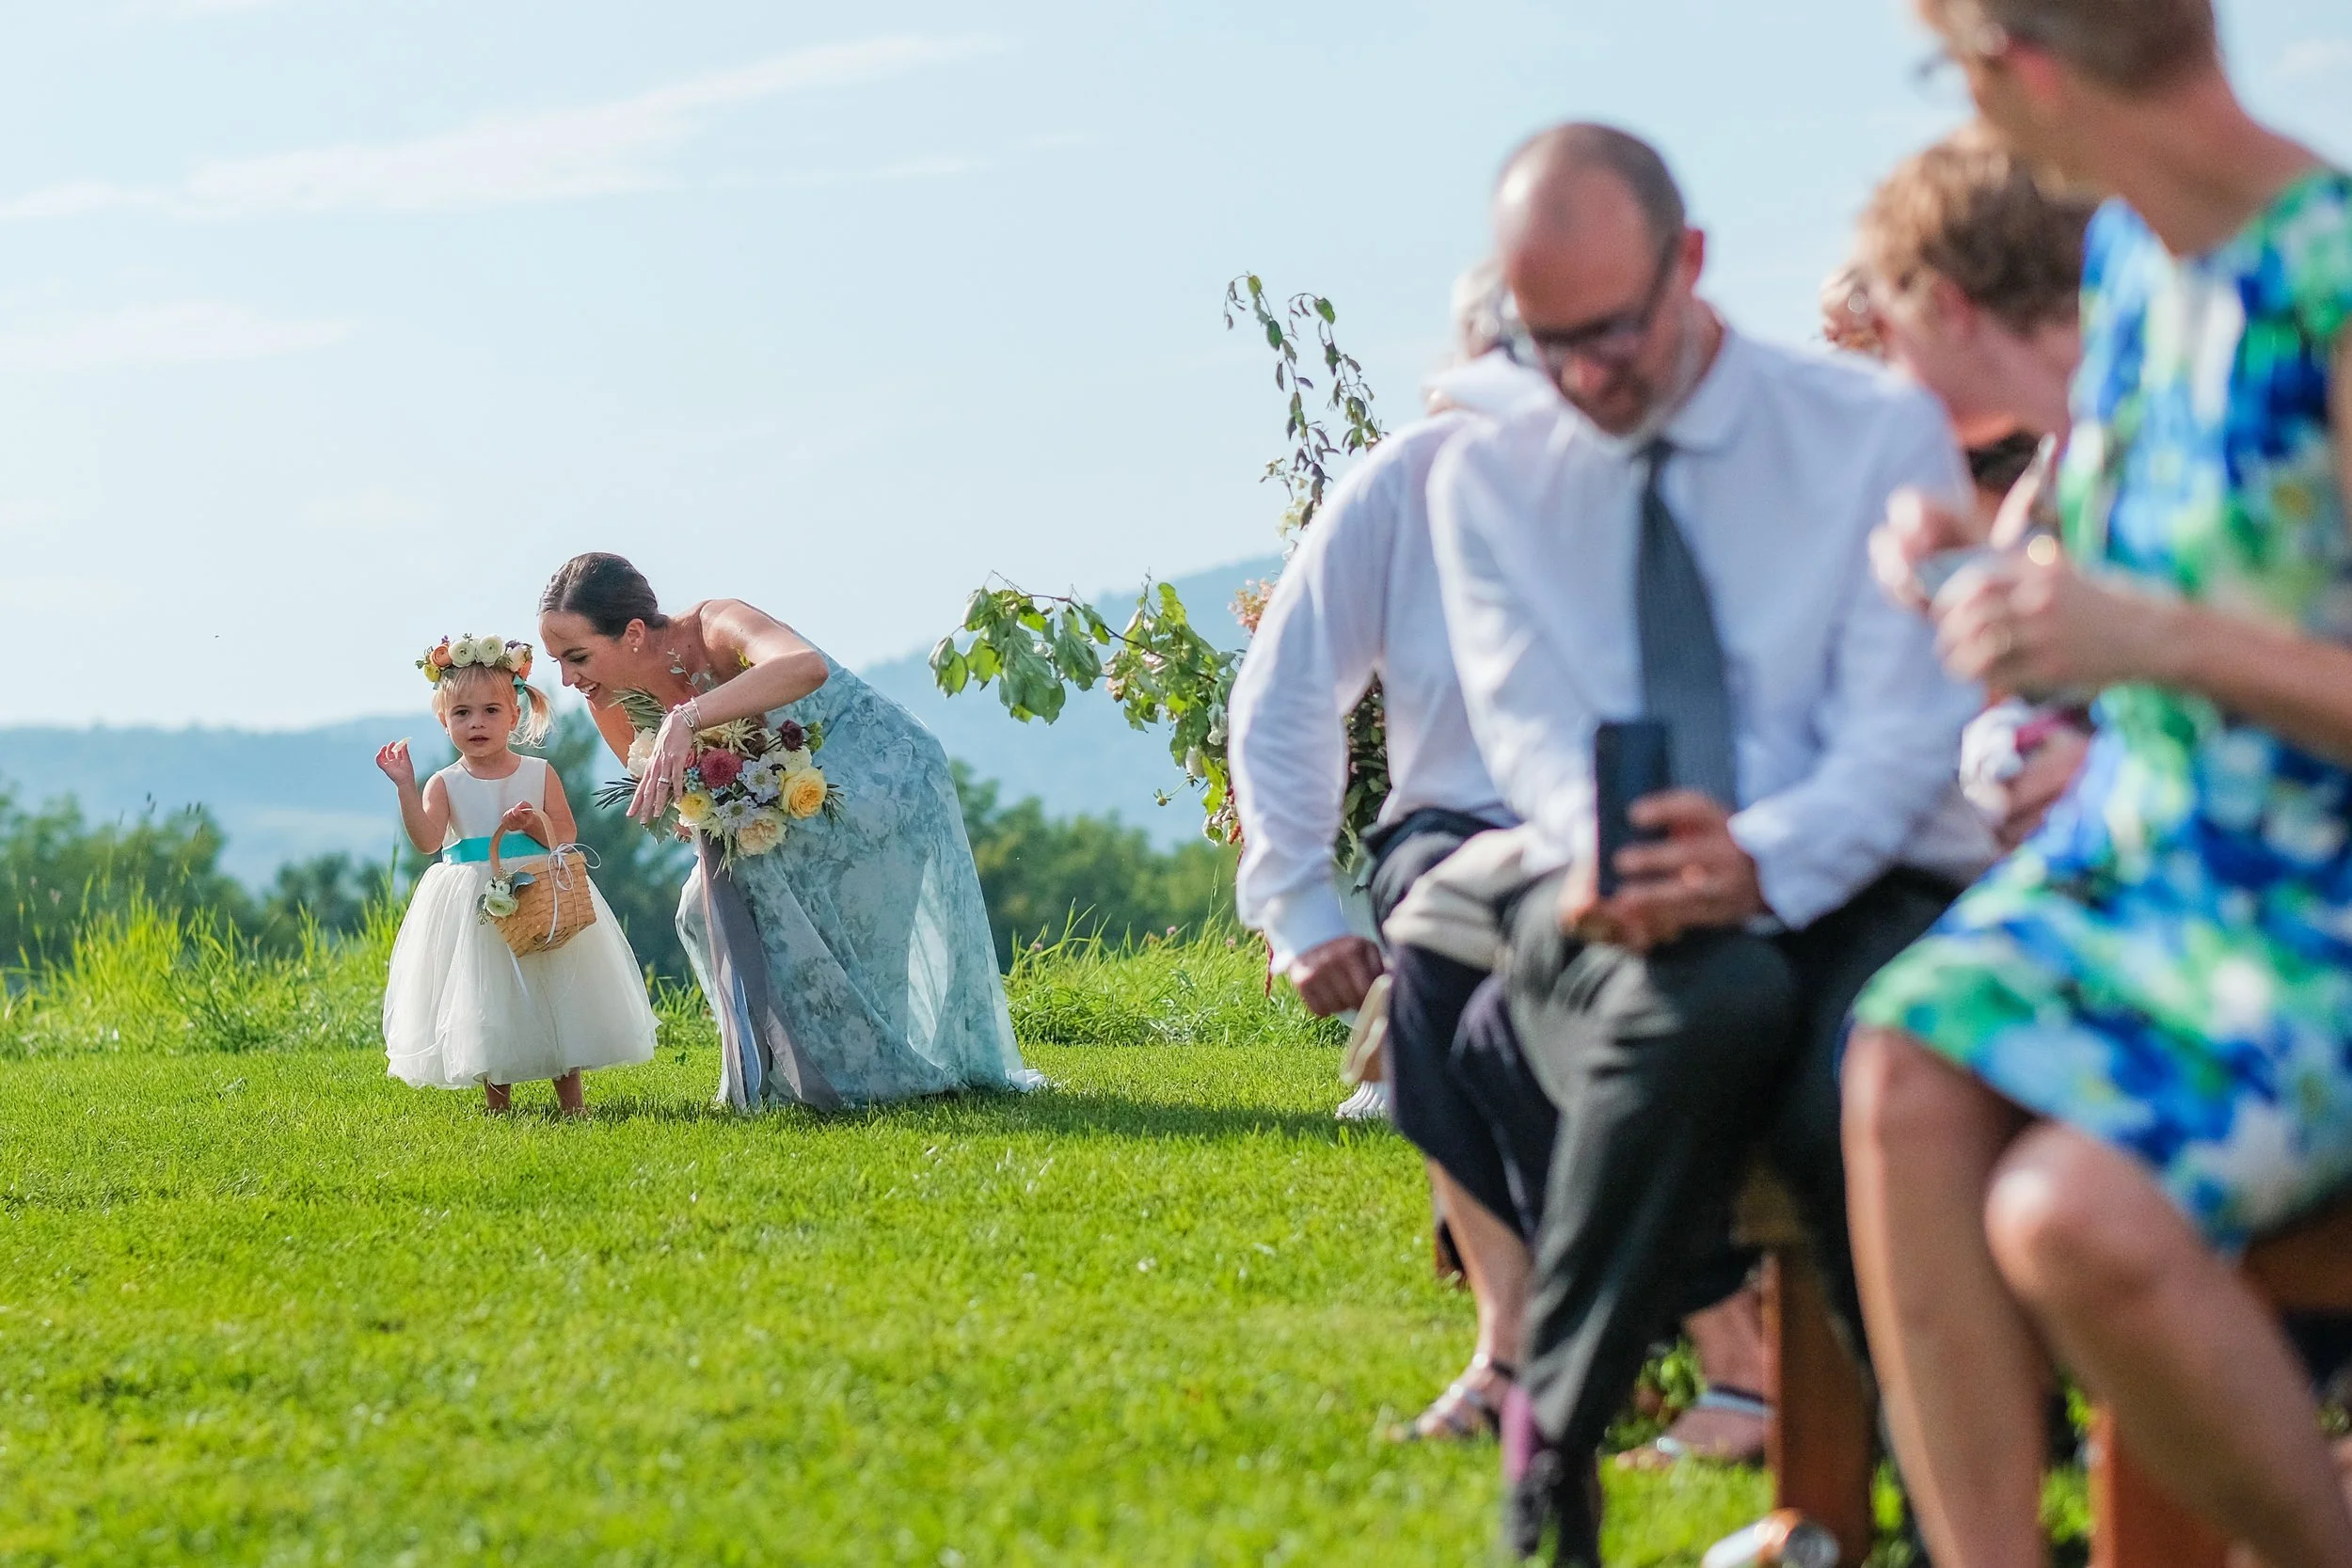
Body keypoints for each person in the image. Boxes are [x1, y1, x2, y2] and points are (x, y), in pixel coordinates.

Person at [1418, 123, 1987, 1562]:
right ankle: (1564, 1464)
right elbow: (1529, 725)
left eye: (1612, 331)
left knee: (1835, 1074)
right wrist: (1605, 848)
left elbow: (1900, 732)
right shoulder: (1486, 474)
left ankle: (1922, 1503)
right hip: (1600, 886)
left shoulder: (1866, 431)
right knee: (1711, 991)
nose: (1588, 377)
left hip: (1859, 873)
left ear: (1692, 265)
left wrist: (1762, 860)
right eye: (1552, 345)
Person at [1843, 2, 2352, 1562]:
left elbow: (2180, 622)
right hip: (2148, 855)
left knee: (2066, 1215)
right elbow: (2141, 583)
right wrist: (1999, 583)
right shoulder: (2131, 258)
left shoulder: (2328, 284)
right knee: (1898, 1071)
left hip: (2315, 906)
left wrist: (2151, 635)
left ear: (2024, 63)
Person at [538, 553, 1044, 1110]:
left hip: (880, 773)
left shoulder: (715, 624)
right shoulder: (607, 700)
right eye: (557, 660)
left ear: (632, 634)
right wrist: (702, 811)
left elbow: (805, 667)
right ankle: (789, 1077)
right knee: (699, 912)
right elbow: (675, 796)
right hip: (776, 804)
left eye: (577, 656)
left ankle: (872, 1074)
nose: (566, 677)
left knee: (858, 923)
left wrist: (687, 718)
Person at [1847, 128, 2099, 854]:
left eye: (1883, 327)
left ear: (1948, 307)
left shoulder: (2167, 435)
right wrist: (1961, 580)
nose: (1884, 363)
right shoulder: (2064, 463)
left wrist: (2112, 772)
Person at [377, 635, 658, 1115]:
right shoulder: (446, 782)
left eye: (490, 711)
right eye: (461, 713)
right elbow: (427, 840)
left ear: (514, 715)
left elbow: (566, 835)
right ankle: (497, 1101)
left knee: (556, 990)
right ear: (445, 722)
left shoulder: (538, 772)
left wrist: (535, 827)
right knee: (487, 996)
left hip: (539, 892)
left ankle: (572, 1100)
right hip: (475, 902)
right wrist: (407, 786)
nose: (476, 723)